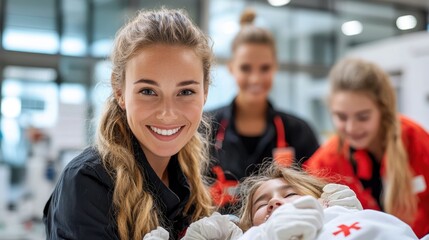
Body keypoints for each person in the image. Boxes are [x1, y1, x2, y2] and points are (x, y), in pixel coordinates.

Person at [43, 8, 214, 240]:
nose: (167, 112)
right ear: (119, 90)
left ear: (205, 92)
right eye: (147, 91)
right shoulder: (88, 183)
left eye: (185, 91)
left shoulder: (187, 181)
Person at [206, 8, 319, 213]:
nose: (256, 78)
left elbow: (315, 193)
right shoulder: (205, 127)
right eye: (246, 68)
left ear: (275, 67)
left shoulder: (299, 132)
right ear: (231, 68)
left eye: (264, 68)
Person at [304, 57, 429, 238]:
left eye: (363, 117)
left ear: (383, 110)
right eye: (341, 117)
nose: (351, 128)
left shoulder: (416, 140)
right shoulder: (325, 162)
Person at [237, 163, 427, 240]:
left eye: (289, 195)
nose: (274, 202)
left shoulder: (345, 214)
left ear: (323, 200)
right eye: (261, 205)